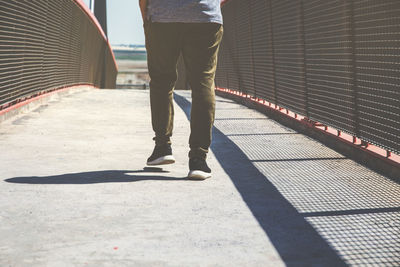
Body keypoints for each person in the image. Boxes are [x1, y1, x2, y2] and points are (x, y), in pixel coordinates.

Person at [139, 0, 223, 180]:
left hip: (162, 17)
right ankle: (199, 160)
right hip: (205, 16)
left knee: (162, 81)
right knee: (203, 83)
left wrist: (146, 17)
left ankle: (162, 147)